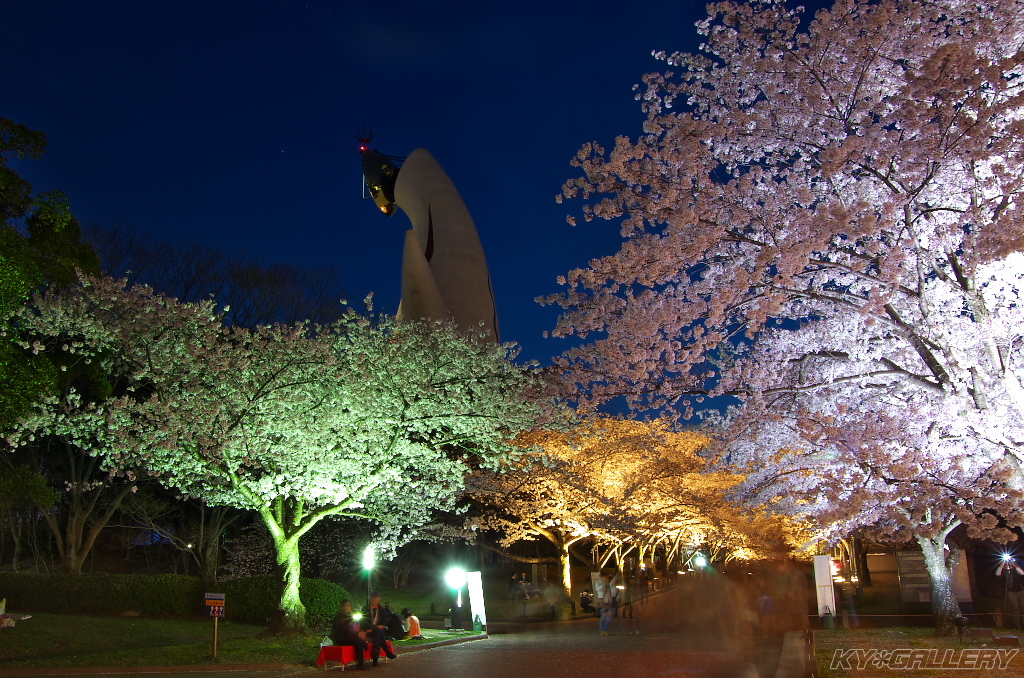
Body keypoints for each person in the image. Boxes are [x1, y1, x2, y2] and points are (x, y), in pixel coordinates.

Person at [330, 599, 367, 670]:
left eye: (348, 606)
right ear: (342, 607)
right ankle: (360, 663)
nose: (347, 608)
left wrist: (361, 631)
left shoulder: (351, 616)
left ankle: (361, 663)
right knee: (359, 641)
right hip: (341, 637)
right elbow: (342, 630)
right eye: (345, 606)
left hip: (350, 636)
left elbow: (356, 627)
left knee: (359, 641)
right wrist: (349, 625)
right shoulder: (339, 617)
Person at [362, 591, 398, 665]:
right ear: (370, 599)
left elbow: (384, 621)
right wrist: (375, 627)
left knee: (377, 636)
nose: (375, 600)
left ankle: (376, 660)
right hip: (369, 630)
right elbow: (363, 622)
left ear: (379, 599)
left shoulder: (381, 609)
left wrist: (380, 626)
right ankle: (386, 651)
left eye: (376, 598)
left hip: (378, 632)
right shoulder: (365, 609)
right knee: (378, 633)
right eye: (373, 598)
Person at [997, 556, 1024, 628]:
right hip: (1011, 592)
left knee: (1023, 607)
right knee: (1015, 609)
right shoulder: (1004, 571)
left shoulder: (1015, 569)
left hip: (1020, 591)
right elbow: (997, 573)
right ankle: (1018, 626)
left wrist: (1013, 564)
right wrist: (1002, 563)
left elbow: (1022, 573)